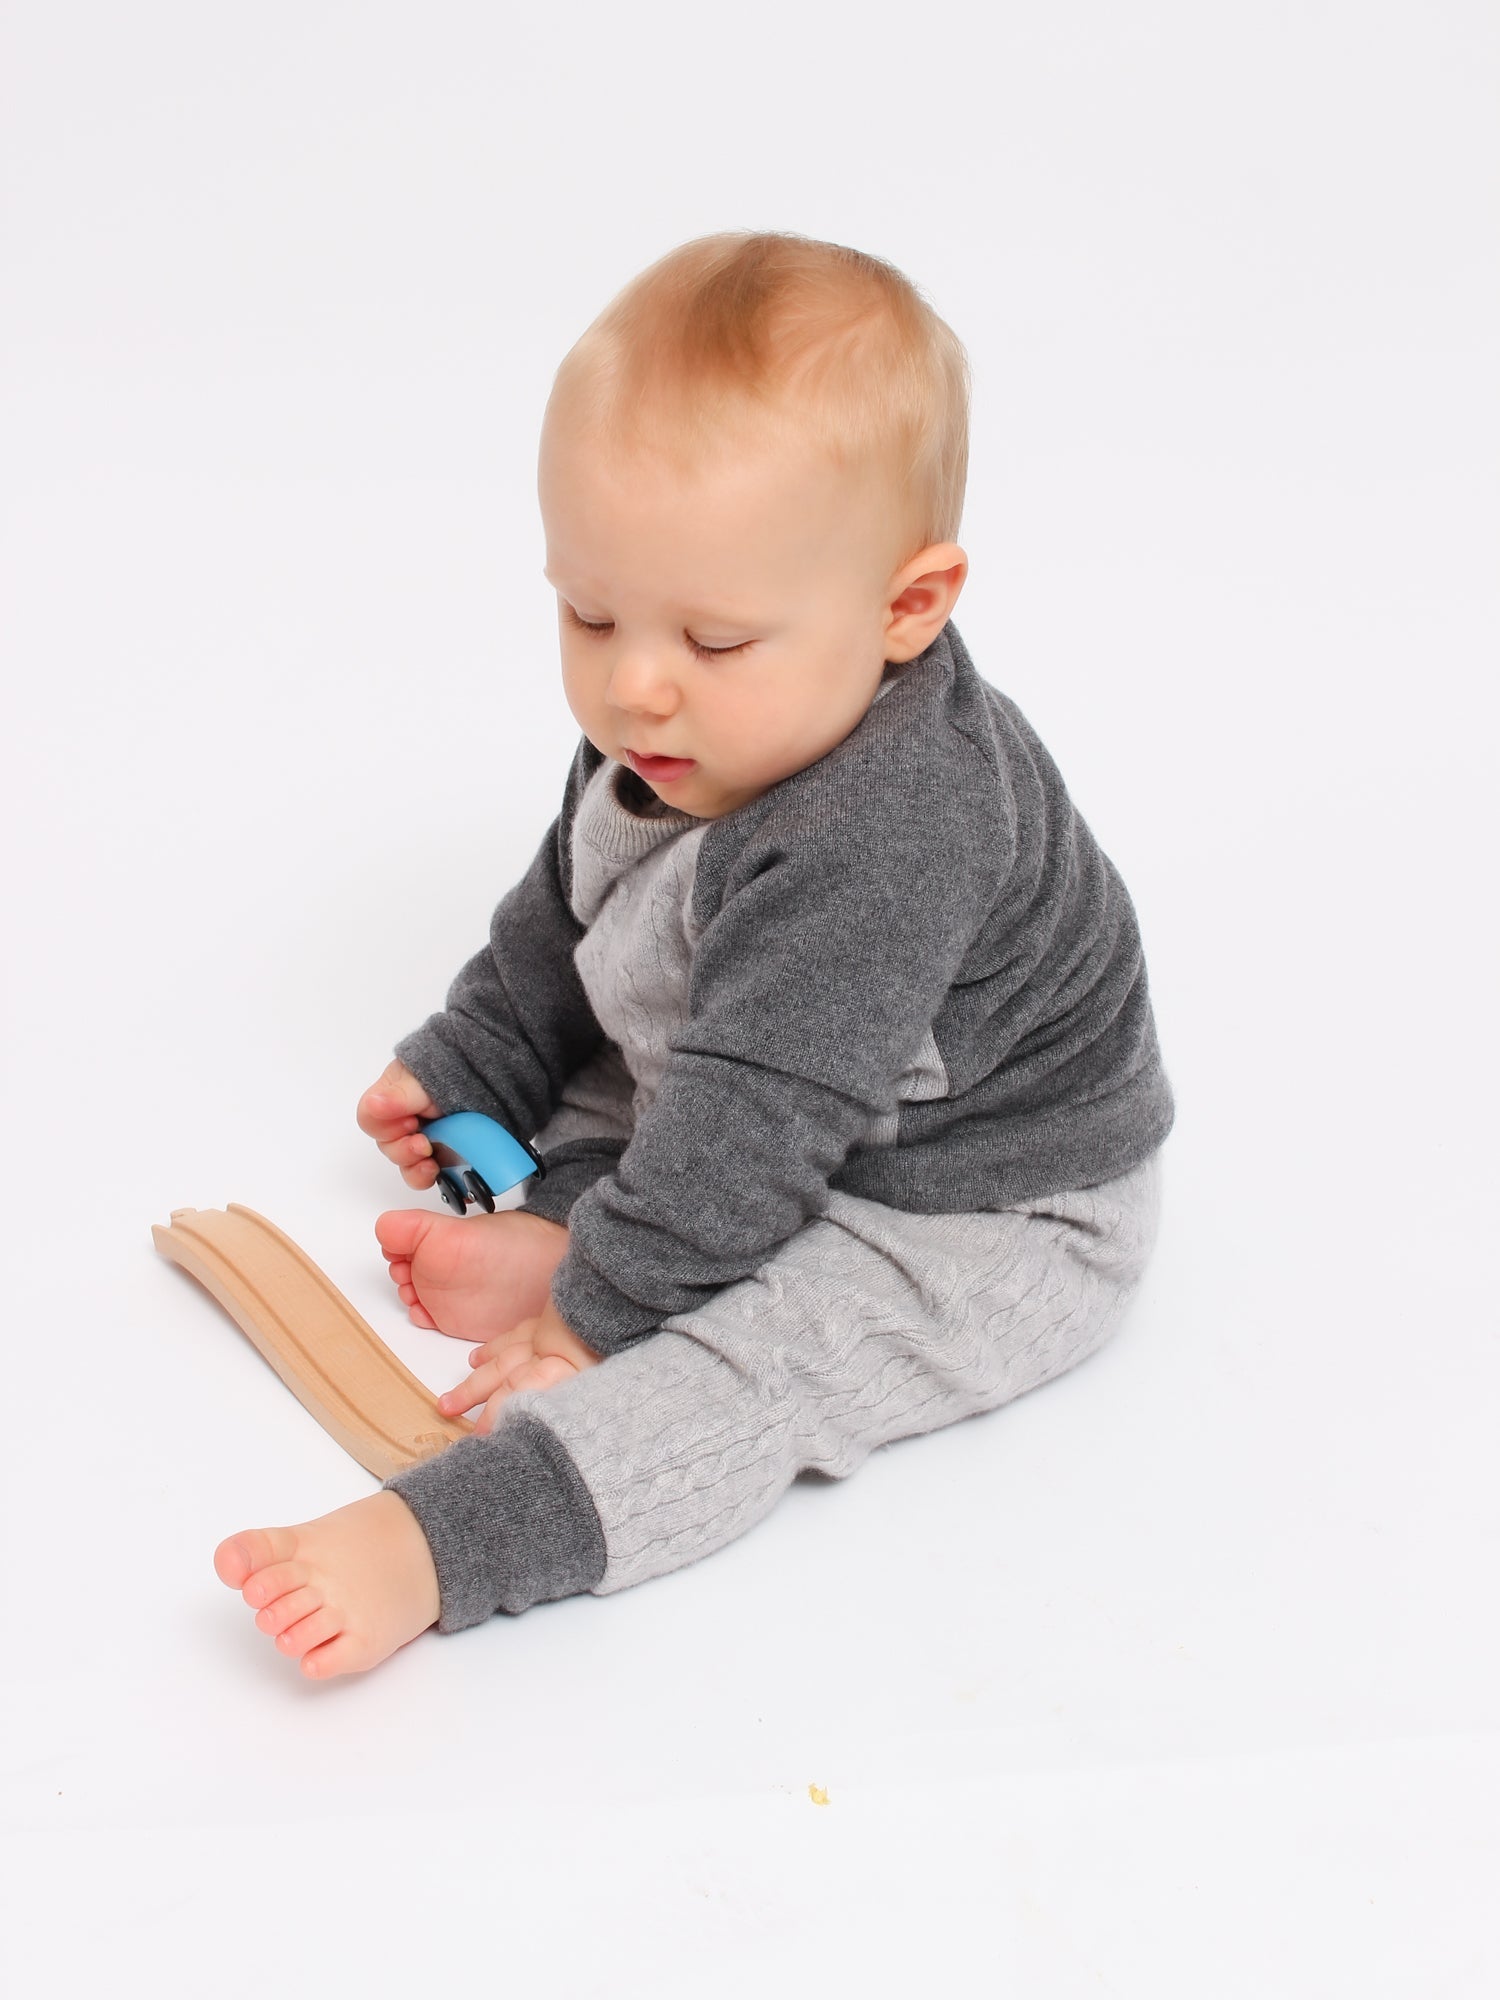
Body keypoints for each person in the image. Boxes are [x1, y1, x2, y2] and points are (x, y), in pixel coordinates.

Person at [214, 231, 1174, 1677]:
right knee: (642, 1023)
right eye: (589, 611)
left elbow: (755, 1121)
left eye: (714, 639)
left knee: (756, 1372)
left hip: (975, 1197)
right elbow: (573, 905)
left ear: (906, 608)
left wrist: (597, 1316)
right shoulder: (677, 718)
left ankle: (441, 1542)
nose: (631, 681)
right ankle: (589, 1215)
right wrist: (480, 1051)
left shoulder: (897, 831)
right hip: (780, 1081)